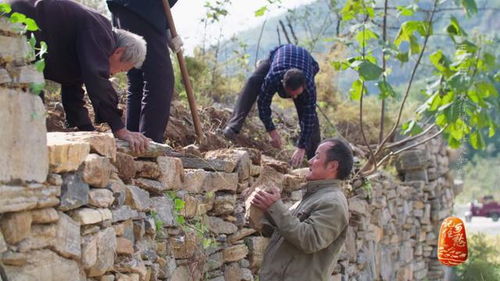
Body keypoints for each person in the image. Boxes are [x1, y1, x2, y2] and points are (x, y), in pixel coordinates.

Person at [8, 0, 150, 153]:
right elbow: (96, 78)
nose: (114, 74)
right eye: (121, 69)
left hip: (22, 39)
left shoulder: (90, 45)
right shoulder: (100, 31)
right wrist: (119, 128)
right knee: (30, 108)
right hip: (14, 25)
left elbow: (73, 90)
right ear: (119, 52)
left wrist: (88, 131)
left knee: (31, 108)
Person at [251, 138, 353, 281]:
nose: (310, 161)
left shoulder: (333, 202)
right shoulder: (315, 195)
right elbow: (289, 230)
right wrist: (269, 209)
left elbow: (309, 239)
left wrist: (276, 208)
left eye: (317, 156)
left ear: (332, 166)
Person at [223, 44, 321, 167]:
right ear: (282, 84)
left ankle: (315, 160)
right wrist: (272, 131)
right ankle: (233, 126)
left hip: (306, 62)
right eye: (291, 94)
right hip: (279, 54)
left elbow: (309, 117)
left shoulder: (309, 87)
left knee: (310, 117)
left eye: (297, 94)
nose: (294, 98)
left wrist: (301, 147)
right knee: (253, 81)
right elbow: (263, 104)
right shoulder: (273, 77)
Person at [107, 0, 181, 143]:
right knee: (160, 79)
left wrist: (164, 26)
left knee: (138, 79)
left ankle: (135, 143)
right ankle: (148, 146)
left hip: (130, 8)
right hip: (143, 8)